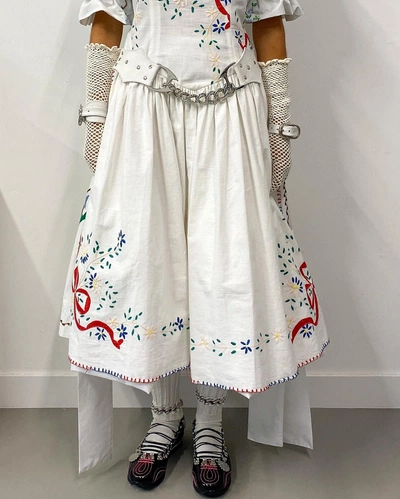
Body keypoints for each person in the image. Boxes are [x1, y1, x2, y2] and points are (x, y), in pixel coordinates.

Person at [59, 0, 330, 496]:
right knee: (150, 264)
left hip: (232, 112)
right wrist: (96, 116)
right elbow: (107, 19)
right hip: (143, 110)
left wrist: (279, 127)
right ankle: (165, 417)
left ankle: (209, 420)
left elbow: (268, 21)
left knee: (225, 266)